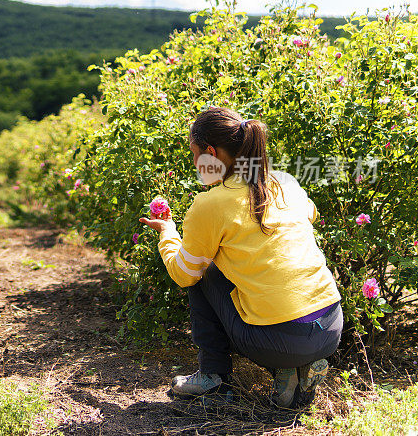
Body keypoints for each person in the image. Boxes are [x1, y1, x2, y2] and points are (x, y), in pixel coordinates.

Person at [139, 107, 343, 409]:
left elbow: (184, 273)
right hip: (331, 328)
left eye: (195, 154)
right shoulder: (284, 181)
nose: (195, 163)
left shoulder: (211, 203)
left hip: (280, 340)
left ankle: (214, 377)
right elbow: (310, 214)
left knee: (202, 269)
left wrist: (168, 232)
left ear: (210, 153)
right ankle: (293, 371)